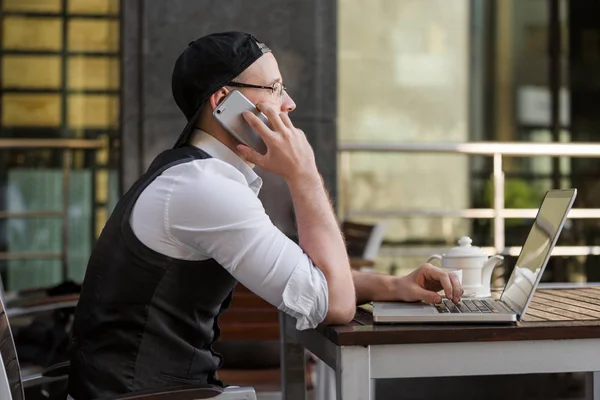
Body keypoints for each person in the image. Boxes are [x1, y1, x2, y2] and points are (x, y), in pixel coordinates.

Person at [67, 31, 463, 399]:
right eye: (274, 88)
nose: (288, 103)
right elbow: (335, 304)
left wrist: (394, 286)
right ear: (223, 101)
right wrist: (304, 174)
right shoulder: (203, 187)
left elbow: (305, 275)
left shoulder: (192, 174)